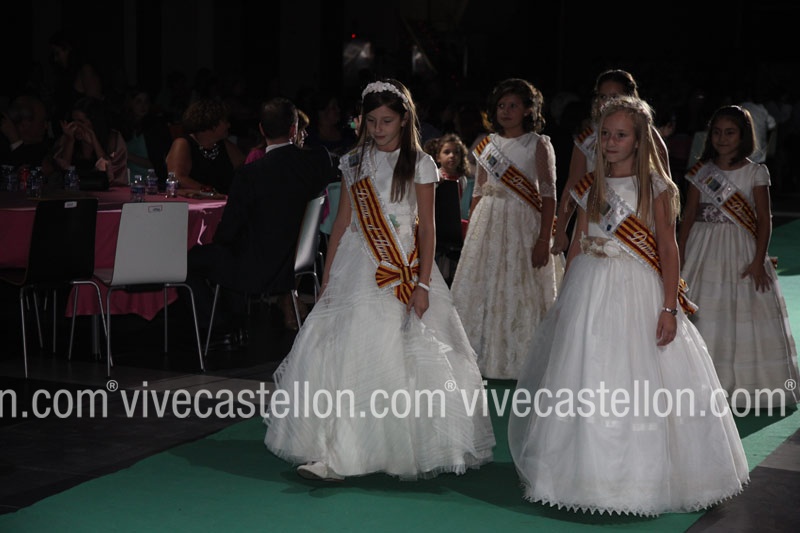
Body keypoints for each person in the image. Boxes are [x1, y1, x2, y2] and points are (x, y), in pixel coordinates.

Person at [508, 96, 749, 516]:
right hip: (590, 287)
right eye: (605, 134)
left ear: (639, 141)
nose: (610, 142)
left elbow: (668, 250)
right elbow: (580, 242)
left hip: (638, 289)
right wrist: (566, 301)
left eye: (620, 135)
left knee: (635, 377)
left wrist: (669, 308)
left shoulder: (656, 187)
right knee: (584, 372)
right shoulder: (590, 186)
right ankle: (580, 473)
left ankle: (638, 479)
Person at [264, 79, 495, 482]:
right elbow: (342, 222)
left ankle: (396, 449)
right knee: (346, 354)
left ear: (404, 119)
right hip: (356, 265)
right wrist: (328, 277)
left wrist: (423, 284)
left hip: (402, 265)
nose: (378, 129)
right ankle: (335, 452)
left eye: (386, 121)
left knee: (398, 358)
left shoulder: (420, 163)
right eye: (371, 121)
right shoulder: (354, 161)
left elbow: (427, 229)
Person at [677, 105, 799, 406]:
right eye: (717, 132)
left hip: (741, 248)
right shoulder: (701, 171)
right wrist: (680, 254)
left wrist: (758, 260)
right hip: (702, 247)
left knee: (741, 308)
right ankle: (697, 382)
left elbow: (764, 219)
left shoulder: (755, 171)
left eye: (730, 132)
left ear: (744, 136)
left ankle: (741, 384)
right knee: (701, 307)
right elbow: (688, 215)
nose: (722, 138)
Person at [187, 97, 336, 334]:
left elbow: (228, 232)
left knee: (190, 261)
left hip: (258, 269)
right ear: (294, 129)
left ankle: (220, 326)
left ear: (261, 129)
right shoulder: (319, 161)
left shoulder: (250, 174)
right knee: (227, 253)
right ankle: (232, 325)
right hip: (301, 259)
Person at [449, 78, 564, 380]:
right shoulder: (486, 144)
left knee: (518, 286)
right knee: (485, 284)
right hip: (488, 221)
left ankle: (519, 358)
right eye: (501, 105)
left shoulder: (538, 144)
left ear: (528, 110)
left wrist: (544, 239)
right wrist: (471, 230)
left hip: (522, 225)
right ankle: (479, 355)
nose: (506, 111)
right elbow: (478, 190)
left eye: (513, 105)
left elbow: (549, 194)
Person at [550, 69, 670, 255]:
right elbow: (572, 186)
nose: (606, 102)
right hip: (594, 222)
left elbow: (664, 185)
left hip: (635, 221)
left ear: (630, 97)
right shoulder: (586, 139)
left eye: (614, 97)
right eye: (602, 96)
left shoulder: (647, 134)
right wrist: (561, 229)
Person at [165, 98, 244, 194]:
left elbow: (245, 170)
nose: (228, 125)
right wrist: (210, 192)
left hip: (224, 200)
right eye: (225, 121)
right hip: (196, 201)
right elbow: (177, 178)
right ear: (212, 123)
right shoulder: (183, 144)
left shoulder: (226, 145)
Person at [53, 96, 128, 187]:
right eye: (73, 121)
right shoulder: (67, 137)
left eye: (81, 122)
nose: (76, 126)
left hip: (104, 191)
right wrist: (70, 141)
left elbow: (109, 175)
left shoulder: (112, 138)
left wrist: (94, 141)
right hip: (74, 191)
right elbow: (63, 171)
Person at [121, 86, 172, 185]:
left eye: (146, 101)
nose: (143, 106)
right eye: (138, 101)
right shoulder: (123, 127)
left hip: (149, 182)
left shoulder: (156, 127)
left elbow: (157, 164)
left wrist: (127, 155)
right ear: (130, 103)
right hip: (125, 180)